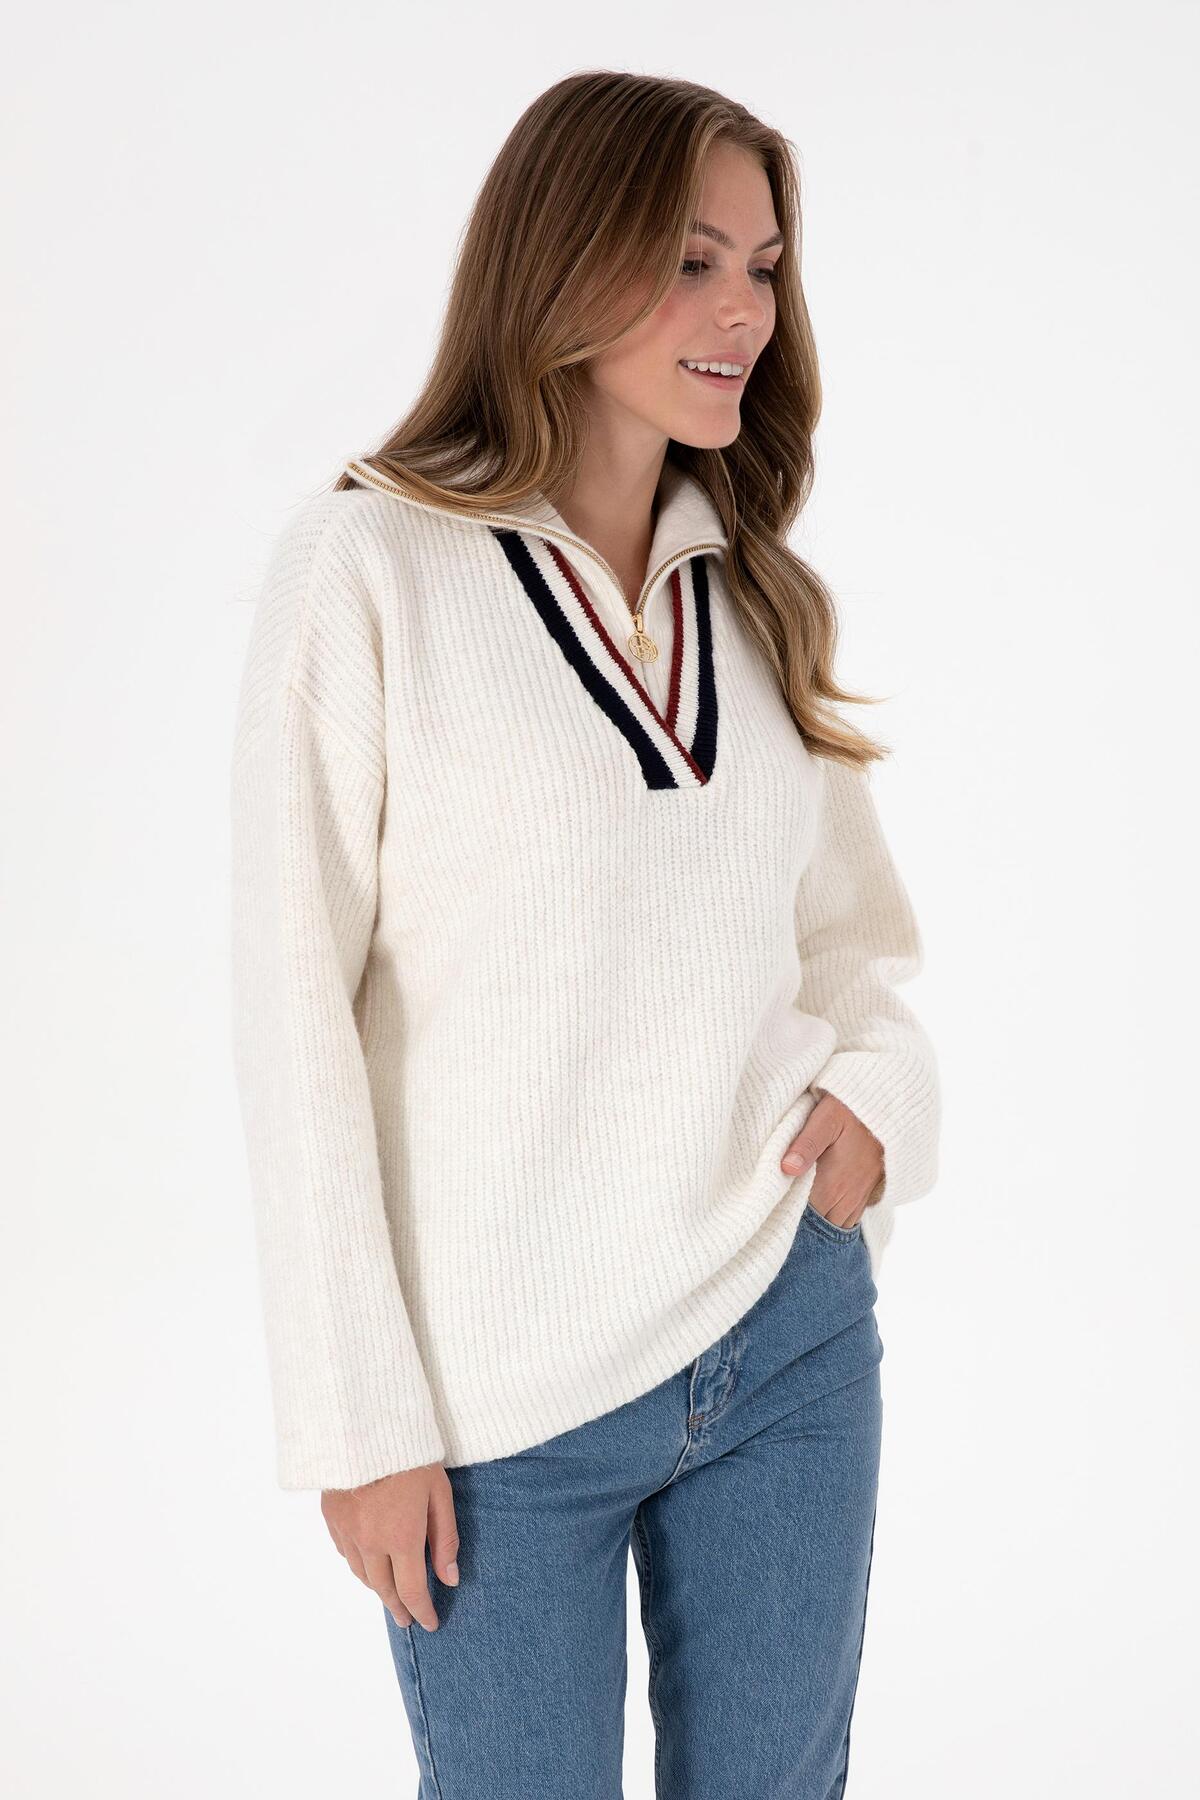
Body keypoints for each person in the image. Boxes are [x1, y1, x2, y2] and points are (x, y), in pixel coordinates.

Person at [230, 69, 940, 1800]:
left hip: (784, 1335)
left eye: (762, 265)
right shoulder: (368, 567)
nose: (742, 311)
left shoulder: (753, 591)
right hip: (495, 1406)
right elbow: (290, 1011)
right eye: (691, 260)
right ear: (560, 258)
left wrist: (877, 1097)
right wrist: (357, 1420)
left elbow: (853, 939)